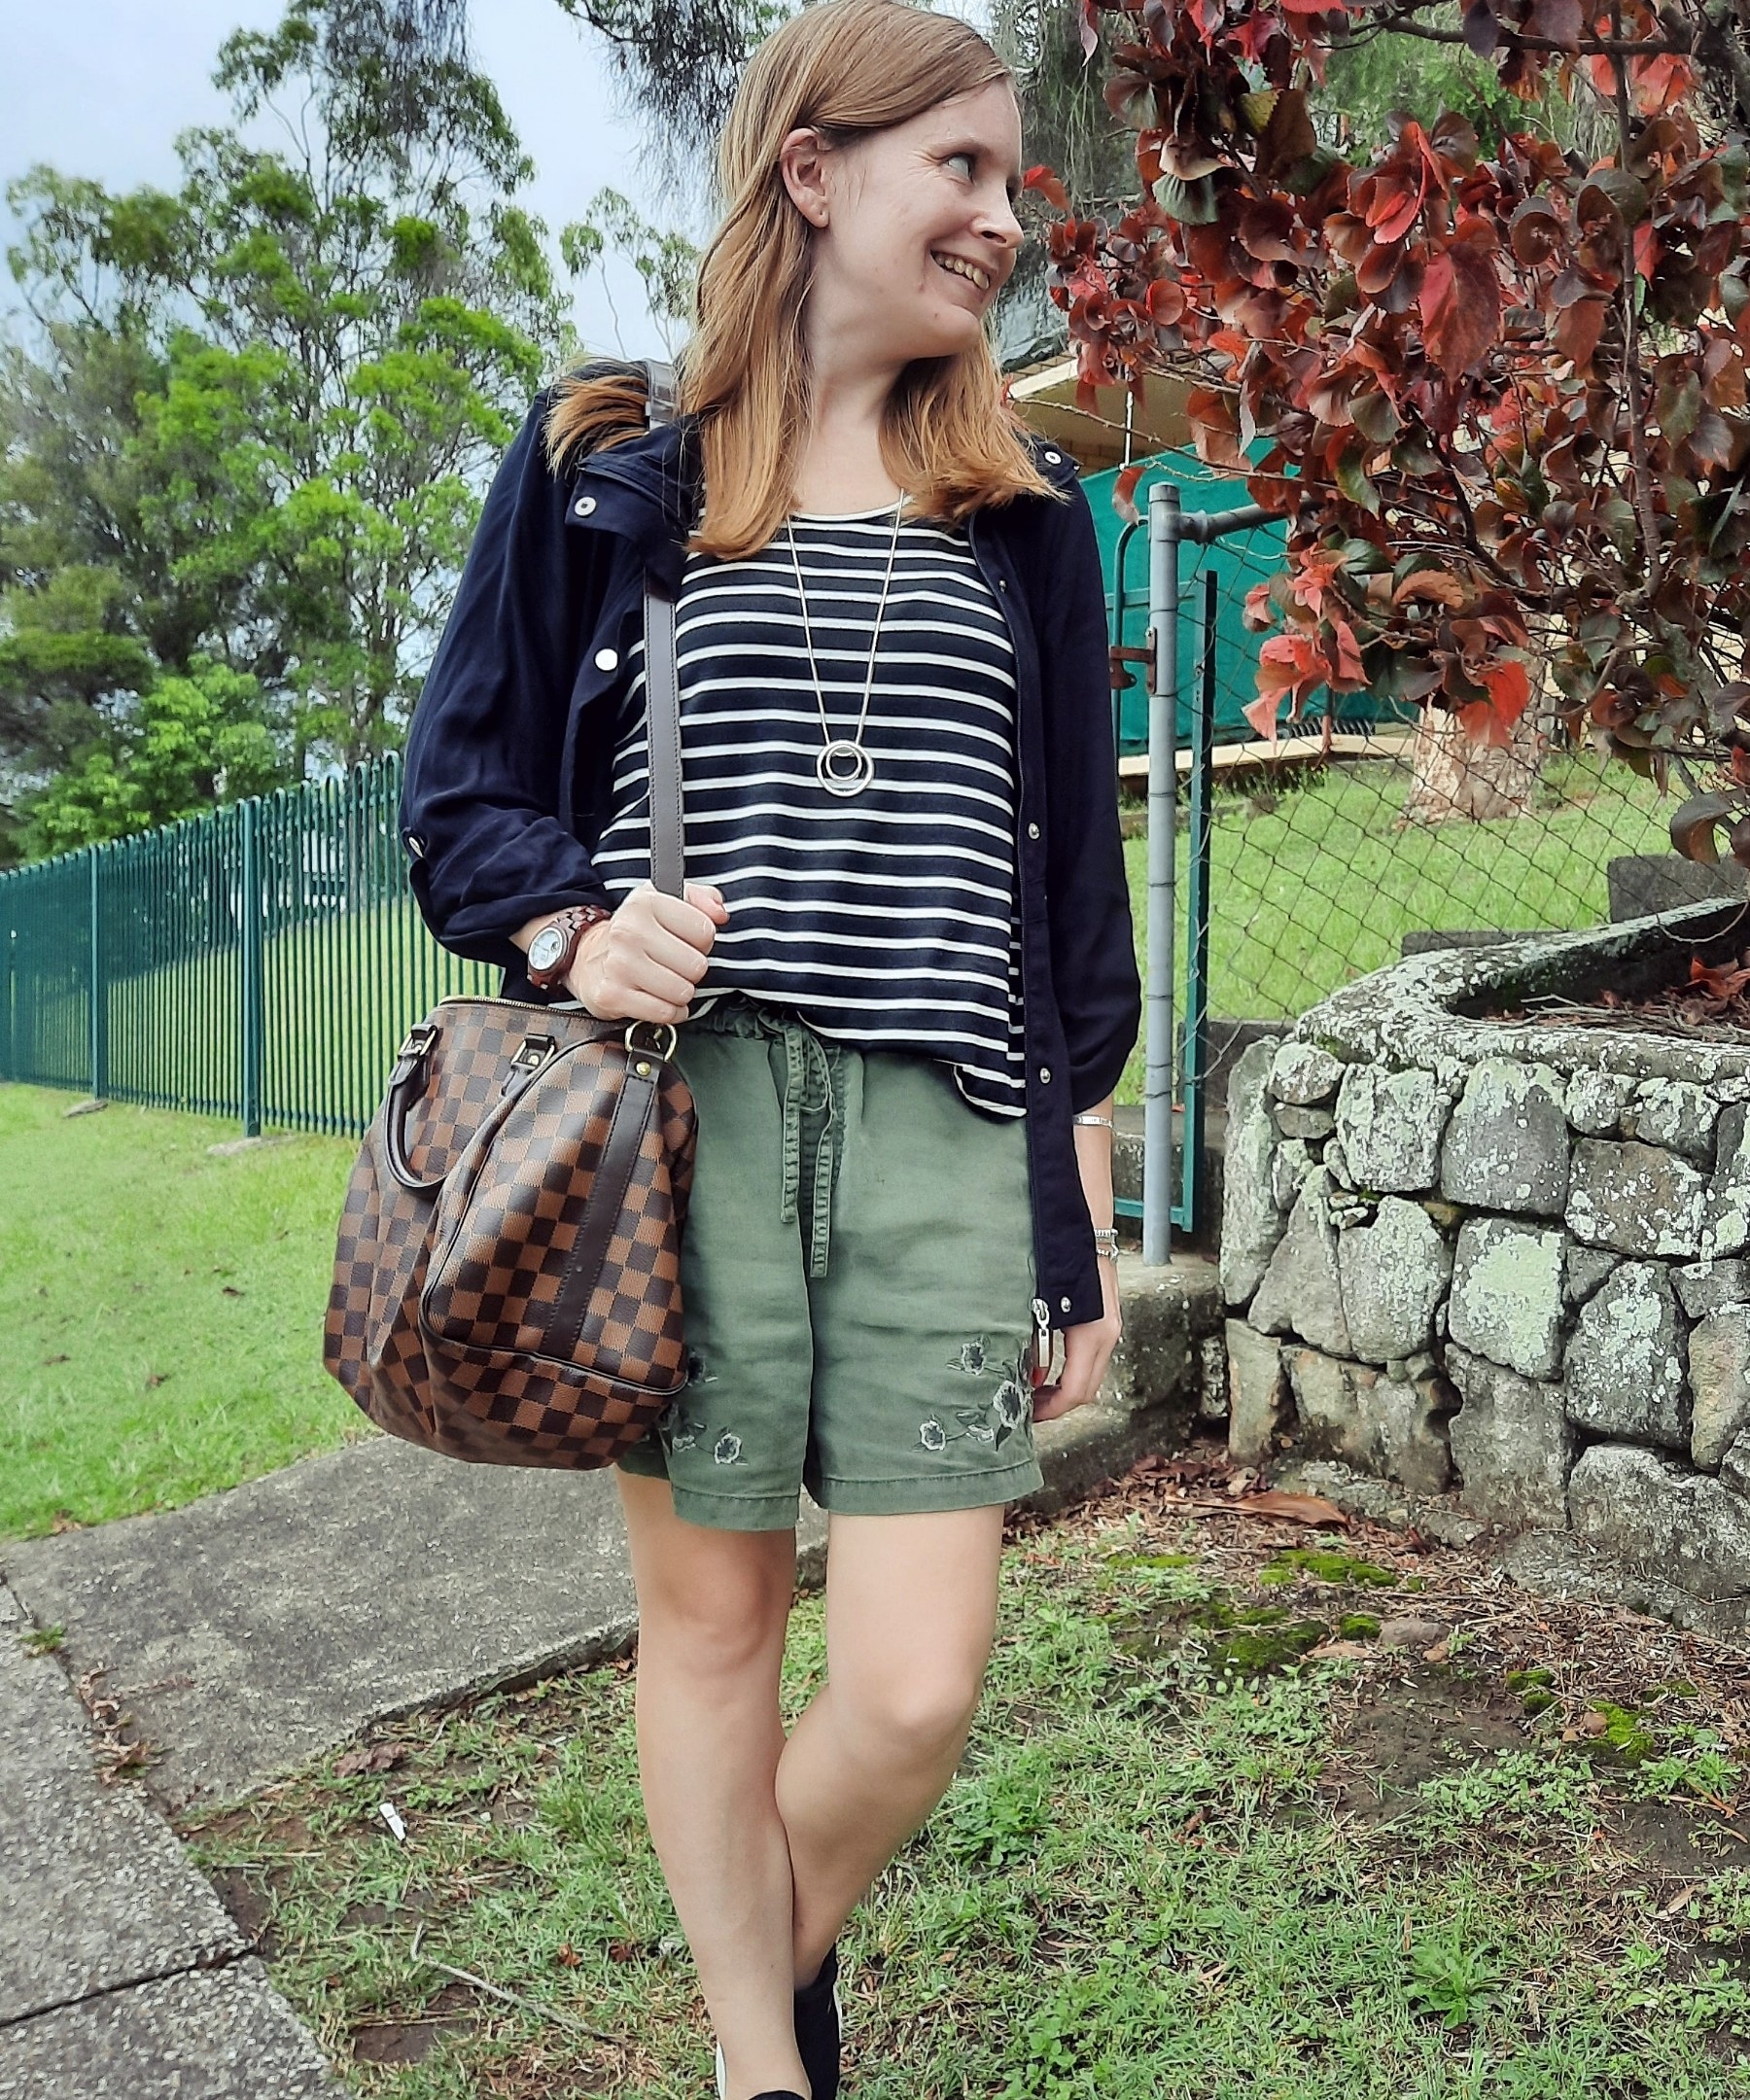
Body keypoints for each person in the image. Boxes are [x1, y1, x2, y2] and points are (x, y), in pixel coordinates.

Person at [398, 2, 1140, 2093]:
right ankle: (762, 2068)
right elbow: (460, 798)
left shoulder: (1025, 522)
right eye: (961, 171)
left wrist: (1071, 1196)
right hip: (686, 1132)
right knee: (717, 1629)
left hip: (942, 1127)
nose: (1002, 220)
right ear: (811, 170)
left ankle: (759, 1964)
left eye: (1014, 182)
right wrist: (573, 927)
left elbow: (1069, 895)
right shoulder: (606, 472)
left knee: (910, 1689)